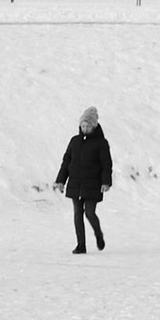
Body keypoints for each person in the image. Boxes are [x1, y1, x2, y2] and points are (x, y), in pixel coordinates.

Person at [55, 106, 112, 254]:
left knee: (89, 212)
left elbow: (106, 164)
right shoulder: (74, 141)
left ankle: (98, 234)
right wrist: (61, 180)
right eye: (83, 125)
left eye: (88, 126)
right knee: (77, 213)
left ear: (94, 126)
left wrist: (106, 182)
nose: (85, 128)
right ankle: (81, 245)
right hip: (75, 183)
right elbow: (66, 162)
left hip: (93, 184)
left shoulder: (101, 143)